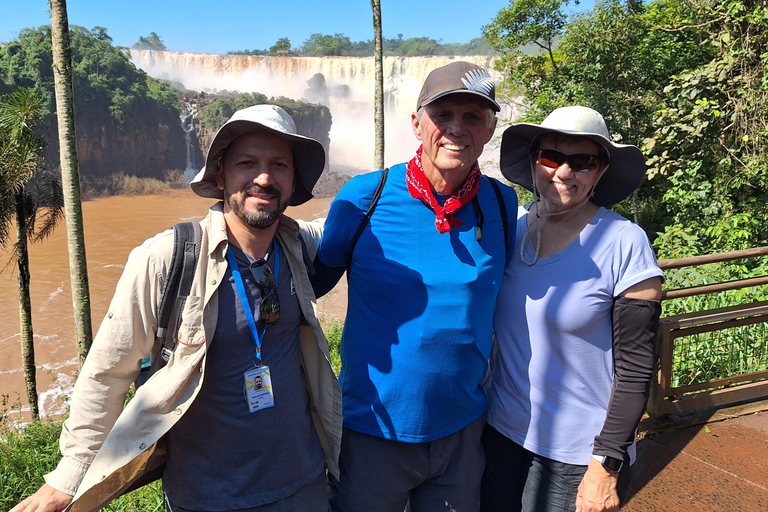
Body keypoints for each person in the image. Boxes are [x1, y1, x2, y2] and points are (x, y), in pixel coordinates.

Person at [11, 104, 342, 512]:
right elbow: (108, 370)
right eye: (247, 163)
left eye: (279, 165)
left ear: (293, 183)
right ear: (221, 175)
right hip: (206, 497)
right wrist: (68, 478)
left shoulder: (298, 245)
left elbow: (355, 216)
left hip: (304, 486)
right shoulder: (167, 257)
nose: (264, 178)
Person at [313, 61, 518, 512]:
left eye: (472, 117)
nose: (456, 129)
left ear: (490, 129)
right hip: (374, 432)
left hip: (464, 431)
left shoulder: (502, 202)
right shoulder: (364, 197)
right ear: (416, 122)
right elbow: (308, 285)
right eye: (443, 115)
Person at [480, 106, 664, 512]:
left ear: (600, 171)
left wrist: (608, 463)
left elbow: (636, 366)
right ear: (533, 162)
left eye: (582, 162)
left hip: (576, 454)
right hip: (499, 432)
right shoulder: (509, 227)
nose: (563, 172)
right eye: (550, 157)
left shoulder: (624, 243)